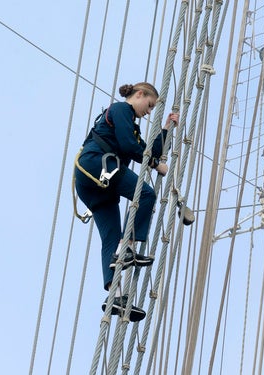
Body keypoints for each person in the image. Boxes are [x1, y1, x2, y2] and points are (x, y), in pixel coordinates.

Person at [75, 82, 179, 321]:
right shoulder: (121, 110)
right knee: (146, 194)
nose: (149, 111)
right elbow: (128, 146)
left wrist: (166, 130)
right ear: (139, 95)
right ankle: (129, 247)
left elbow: (145, 150)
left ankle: (116, 297)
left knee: (110, 238)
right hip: (98, 164)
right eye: (150, 105)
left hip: (94, 184)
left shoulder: (131, 126)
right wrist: (155, 165)